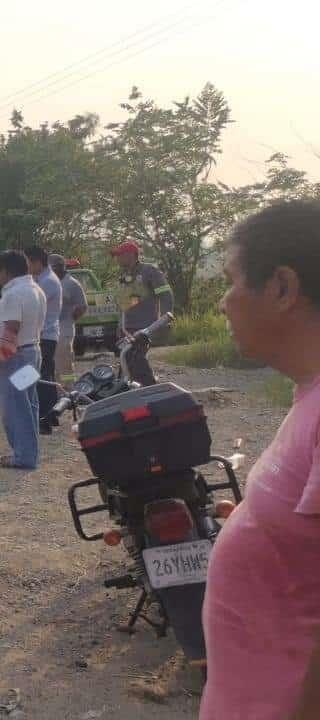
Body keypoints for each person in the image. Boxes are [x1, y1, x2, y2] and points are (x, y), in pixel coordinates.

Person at [200, 201, 320, 719]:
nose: (224, 302)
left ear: (282, 288)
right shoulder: (307, 395)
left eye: (232, 281)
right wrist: (254, 530)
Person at [0, 250, 46, 470]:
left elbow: (11, 330)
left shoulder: (14, 293)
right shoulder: (35, 289)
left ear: (5, 270)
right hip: (32, 353)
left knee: (15, 407)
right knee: (28, 405)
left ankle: (23, 456)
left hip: (15, 358)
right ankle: (28, 452)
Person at [111, 241, 173, 386]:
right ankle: (129, 398)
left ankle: (154, 392)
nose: (117, 259)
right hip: (127, 330)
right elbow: (126, 304)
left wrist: (165, 319)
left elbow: (165, 294)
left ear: (131, 255)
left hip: (143, 329)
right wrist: (120, 325)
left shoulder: (149, 271)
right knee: (126, 366)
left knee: (136, 361)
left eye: (120, 255)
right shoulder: (125, 275)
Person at [25, 246, 62, 435]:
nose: (27, 267)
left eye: (28, 263)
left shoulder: (47, 282)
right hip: (45, 334)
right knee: (44, 374)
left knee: (41, 377)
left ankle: (44, 420)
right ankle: (51, 415)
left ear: (38, 261)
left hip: (45, 335)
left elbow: (32, 305)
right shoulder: (43, 279)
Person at [50, 255, 87, 387]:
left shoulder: (72, 283)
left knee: (65, 363)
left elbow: (82, 306)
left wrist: (70, 319)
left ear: (59, 267)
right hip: (50, 330)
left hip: (65, 329)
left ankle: (69, 389)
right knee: (53, 365)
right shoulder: (50, 282)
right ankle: (57, 391)